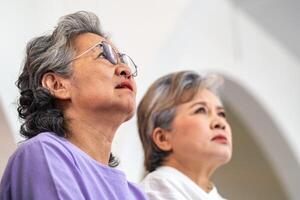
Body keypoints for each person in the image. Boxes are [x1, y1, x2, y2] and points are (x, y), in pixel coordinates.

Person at [0, 11, 146, 200]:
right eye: (104, 55)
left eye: (123, 61)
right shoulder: (44, 153)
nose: (125, 70)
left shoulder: (135, 194)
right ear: (57, 85)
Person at [137, 71, 232, 200]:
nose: (220, 123)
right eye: (201, 110)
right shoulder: (153, 193)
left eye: (221, 114)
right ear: (163, 138)